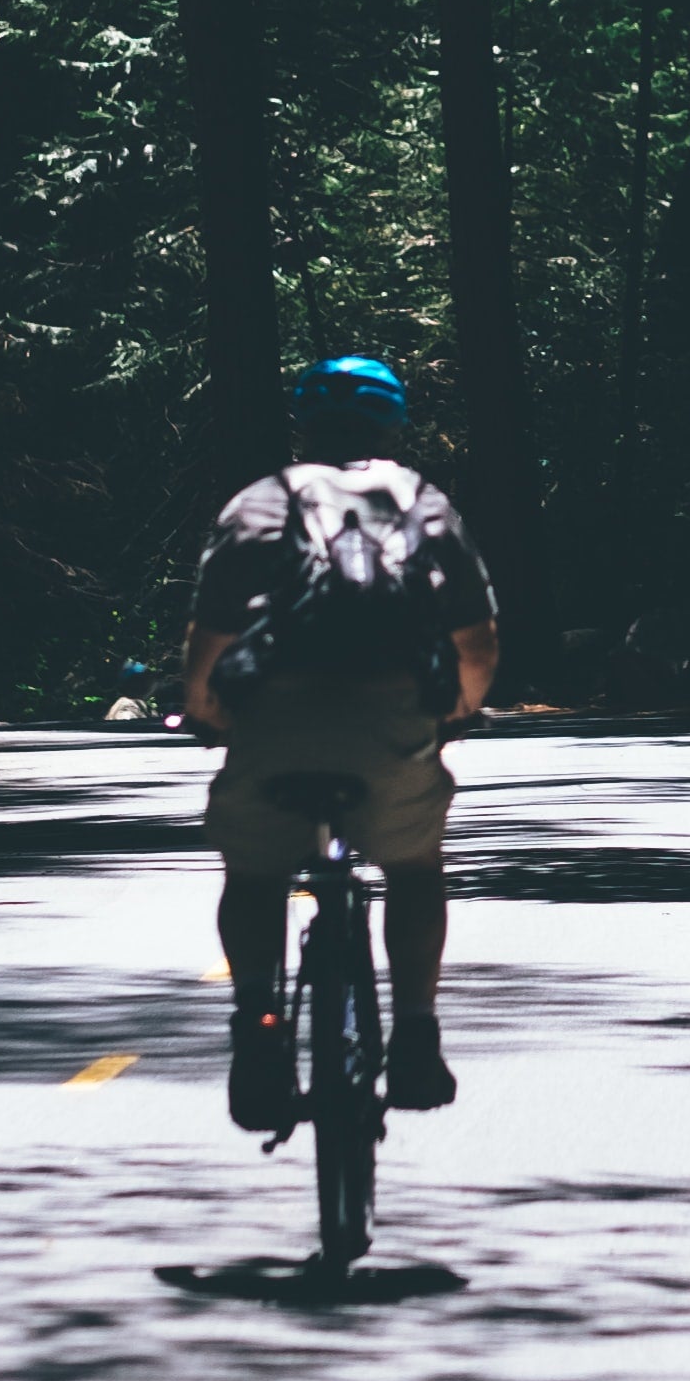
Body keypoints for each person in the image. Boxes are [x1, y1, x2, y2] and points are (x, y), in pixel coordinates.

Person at [182, 357, 500, 1131]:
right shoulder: (420, 500)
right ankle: (416, 1035)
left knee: (254, 872)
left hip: (275, 712)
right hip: (390, 714)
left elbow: (210, 638)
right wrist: (453, 710)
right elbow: (477, 636)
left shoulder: (259, 501)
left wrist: (206, 713)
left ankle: (257, 1023)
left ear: (303, 422)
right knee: (414, 868)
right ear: (393, 423)